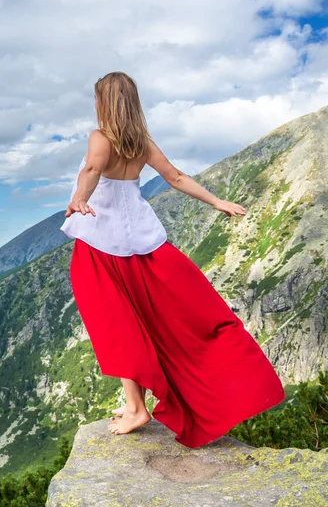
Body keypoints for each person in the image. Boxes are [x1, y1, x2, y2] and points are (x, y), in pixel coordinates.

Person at [60, 71, 286, 449]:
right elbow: (175, 176)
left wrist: (80, 198)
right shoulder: (141, 142)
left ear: (104, 103)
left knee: (115, 324)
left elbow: (92, 169)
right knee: (147, 321)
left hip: (102, 243)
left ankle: (136, 407)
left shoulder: (100, 138)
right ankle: (135, 404)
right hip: (143, 244)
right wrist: (216, 201)